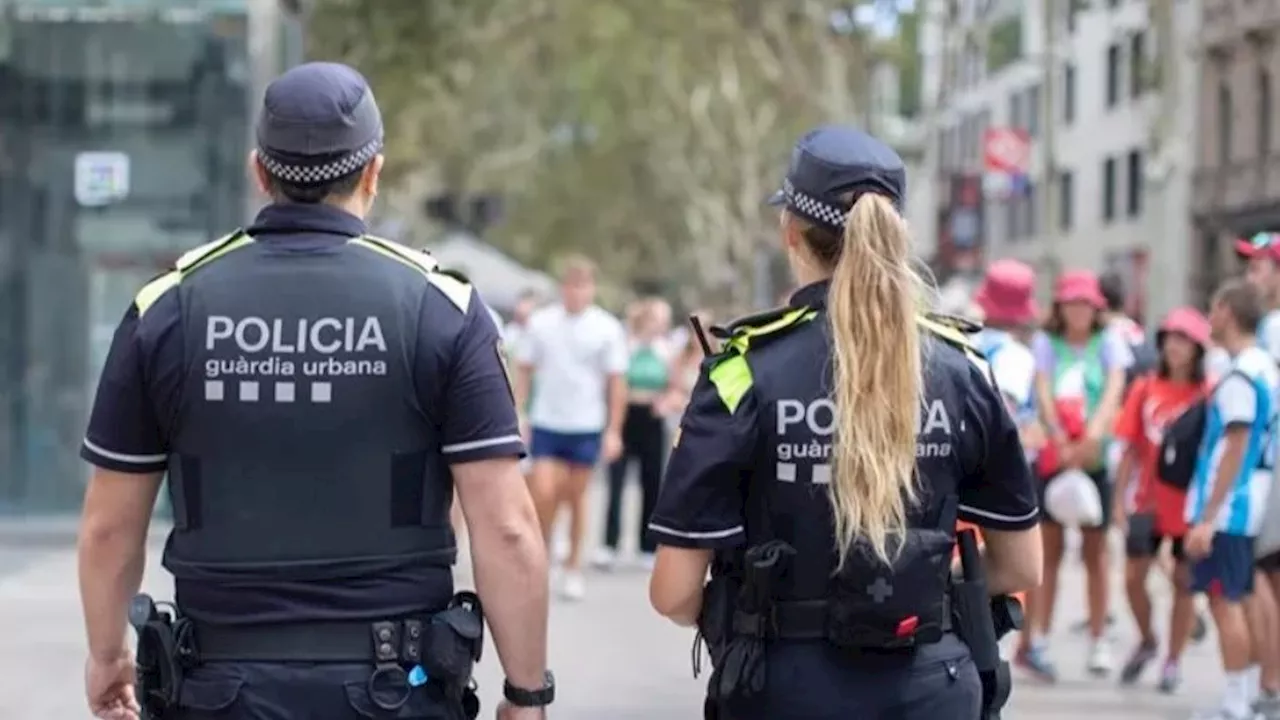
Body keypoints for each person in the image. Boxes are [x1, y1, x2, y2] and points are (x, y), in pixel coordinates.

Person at [75, 63, 553, 720]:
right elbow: (505, 527)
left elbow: (108, 526)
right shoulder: (439, 308)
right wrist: (526, 694)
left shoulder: (167, 310)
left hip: (216, 690)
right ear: (373, 173)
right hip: (396, 687)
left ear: (259, 172)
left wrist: (108, 655)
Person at [645, 125, 1042, 720]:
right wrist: (922, 591)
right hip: (932, 683)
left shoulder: (742, 374)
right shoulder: (962, 370)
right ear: (896, 234)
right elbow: (1019, 567)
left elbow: (673, 592)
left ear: (790, 232)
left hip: (783, 687)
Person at [1023, 270, 1129, 680]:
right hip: (1056, 458)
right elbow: (1044, 391)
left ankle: (1100, 637)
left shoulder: (1109, 343)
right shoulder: (1047, 343)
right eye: (1071, 303)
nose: (1078, 310)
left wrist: (1091, 439)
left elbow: (1114, 391)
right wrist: (1059, 439)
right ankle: (1040, 636)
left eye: (1085, 303)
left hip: (1095, 459)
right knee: (1047, 553)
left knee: (1095, 553)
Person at [1187, 279, 1279, 720]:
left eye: (1213, 307)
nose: (1210, 316)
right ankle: (1249, 696)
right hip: (1250, 502)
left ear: (1227, 311)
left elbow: (1235, 448)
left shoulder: (1241, 374)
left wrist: (1207, 516)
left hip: (1231, 508)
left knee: (1226, 603)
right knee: (1238, 598)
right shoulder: (1263, 367)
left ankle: (1236, 703)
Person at [513, 255, 628, 601]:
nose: (577, 293)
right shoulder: (542, 323)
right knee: (543, 492)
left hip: (586, 424)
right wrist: (520, 412)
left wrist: (613, 430)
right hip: (548, 421)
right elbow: (524, 369)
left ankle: (573, 567)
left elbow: (615, 383)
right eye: (571, 285)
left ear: (592, 289)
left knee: (577, 498)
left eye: (583, 286)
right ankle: (544, 555)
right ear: (563, 288)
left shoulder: (607, 328)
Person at [1110, 308, 1211, 693]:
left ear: (1198, 347)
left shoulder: (1208, 392)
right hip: (1146, 499)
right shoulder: (1145, 386)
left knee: (1185, 582)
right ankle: (1148, 640)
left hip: (1188, 503)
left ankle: (1173, 658)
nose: (1175, 345)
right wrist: (1118, 501)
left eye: (1184, 339)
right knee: (1134, 577)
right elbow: (1130, 447)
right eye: (1169, 337)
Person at [595, 298, 675, 571]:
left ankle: (647, 546)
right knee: (616, 481)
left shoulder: (665, 349)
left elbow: (674, 385)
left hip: (652, 419)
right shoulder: (625, 346)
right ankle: (608, 543)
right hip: (626, 416)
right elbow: (613, 381)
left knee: (651, 482)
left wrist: (666, 401)